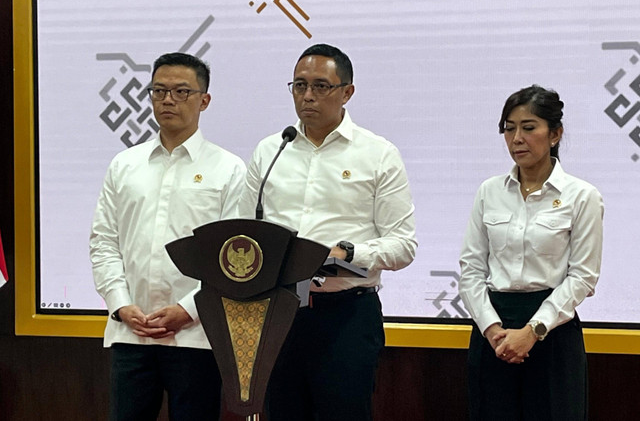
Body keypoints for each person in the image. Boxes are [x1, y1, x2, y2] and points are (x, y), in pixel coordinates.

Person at [238, 43, 418, 421]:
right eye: (299, 85)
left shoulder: (377, 153)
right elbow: (247, 236)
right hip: (280, 314)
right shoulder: (272, 150)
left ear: (347, 92)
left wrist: (348, 255)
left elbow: (404, 245)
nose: (307, 96)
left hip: (346, 317)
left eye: (321, 86)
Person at [90, 52, 246, 421]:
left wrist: (186, 310)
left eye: (180, 91)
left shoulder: (229, 169)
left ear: (204, 100)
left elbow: (233, 258)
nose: (168, 100)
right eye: (159, 91)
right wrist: (120, 303)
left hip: (197, 335)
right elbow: (104, 241)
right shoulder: (125, 165)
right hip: (131, 333)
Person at [459, 85, 604, 420]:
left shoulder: (582, 195)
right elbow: (471, 269)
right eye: (509, 129)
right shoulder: (489, 191)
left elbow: (583, 276)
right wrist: (491, 328)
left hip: (551, 333)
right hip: (493, 332)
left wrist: (533, 331)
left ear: (555, 134)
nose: (517, 139)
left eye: (528, 128)